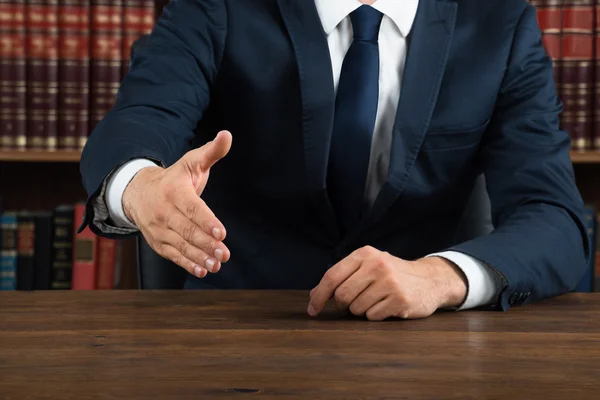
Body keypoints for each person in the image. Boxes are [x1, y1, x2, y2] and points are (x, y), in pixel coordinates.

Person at [79, 0, 590, 320]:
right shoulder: (219, 7)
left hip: (425, 342)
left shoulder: (498, 22)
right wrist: (140, 187)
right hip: (236, 331)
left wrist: (440, 277)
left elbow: (555, 217)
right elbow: (142, 115)